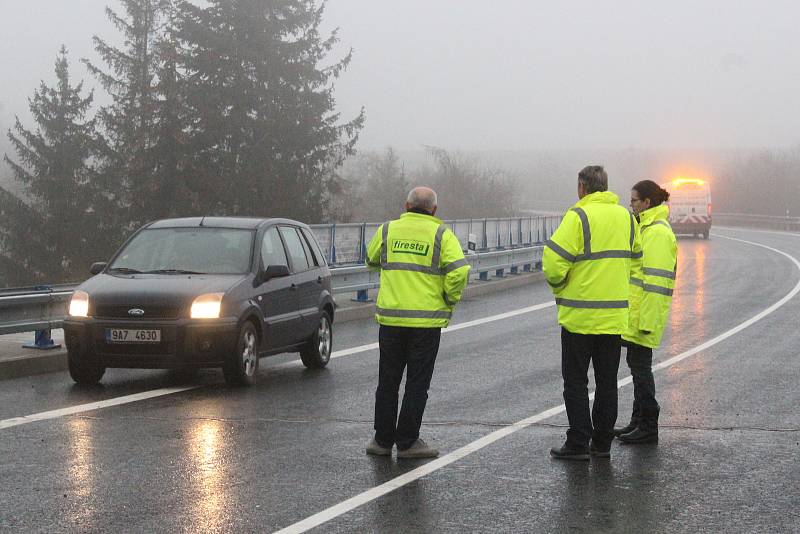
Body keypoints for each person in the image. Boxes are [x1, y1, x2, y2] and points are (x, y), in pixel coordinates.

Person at [543, 165, 642, 460]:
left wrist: (562, 287)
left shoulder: (579, 216)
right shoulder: (627, 217)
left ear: (582, 187)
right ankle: (601, 444)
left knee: (576, 382)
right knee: (607, 382)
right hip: (613, 318)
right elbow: (637, 261)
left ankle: (577, 442)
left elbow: (553, 263)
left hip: (579, 318)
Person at [364, 187, 471, 458]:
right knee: (417, 383)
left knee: (388, 381)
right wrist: (449, 297)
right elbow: (459, 271)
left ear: (406, 205)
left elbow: (371, 259)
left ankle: (382, 440)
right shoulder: (441, 234)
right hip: (425, 323)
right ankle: (409, 442)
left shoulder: (388, 230)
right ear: (434, 210)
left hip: (391, 320)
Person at [615, 180, 677, 444]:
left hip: (645, 315)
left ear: (647, 203)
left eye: (634, 201)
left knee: (641, 369)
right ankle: (637, 420)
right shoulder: (646, 228)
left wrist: (647, 320)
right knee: (636, 366)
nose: (631, 205)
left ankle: (649, 424)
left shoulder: (658, 233)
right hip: (637, 312)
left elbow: (656, 282)